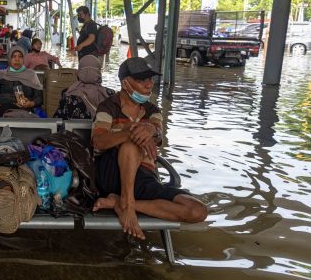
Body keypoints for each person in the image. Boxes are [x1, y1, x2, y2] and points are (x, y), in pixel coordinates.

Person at [91, 57, 207, 239]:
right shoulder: (108, 107)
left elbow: (159, 135)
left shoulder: (152, 110)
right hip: (111, 174)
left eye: (150, 79)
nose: (148, 85)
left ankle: (121, 203)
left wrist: (152, 130)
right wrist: (130, 133)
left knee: (197, 211)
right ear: (125, 83)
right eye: (141, 80)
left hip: (145, 177)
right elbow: (98, 142)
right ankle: (128, 205)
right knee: (131, 145)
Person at [0, 46, 43, 117]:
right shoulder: (0, 75)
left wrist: (31, 103)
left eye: (20, 56)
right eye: (14, 57)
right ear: (9, 59)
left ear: (23, 59)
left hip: (24, 111)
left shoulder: (31, 75)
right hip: (1, 109)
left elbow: (39, 97)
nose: (17, 60)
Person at [53, 55, 112, 119]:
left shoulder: (68, 94)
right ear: (99, 73)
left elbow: (58, 120)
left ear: (79, 72)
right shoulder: (110, 94)